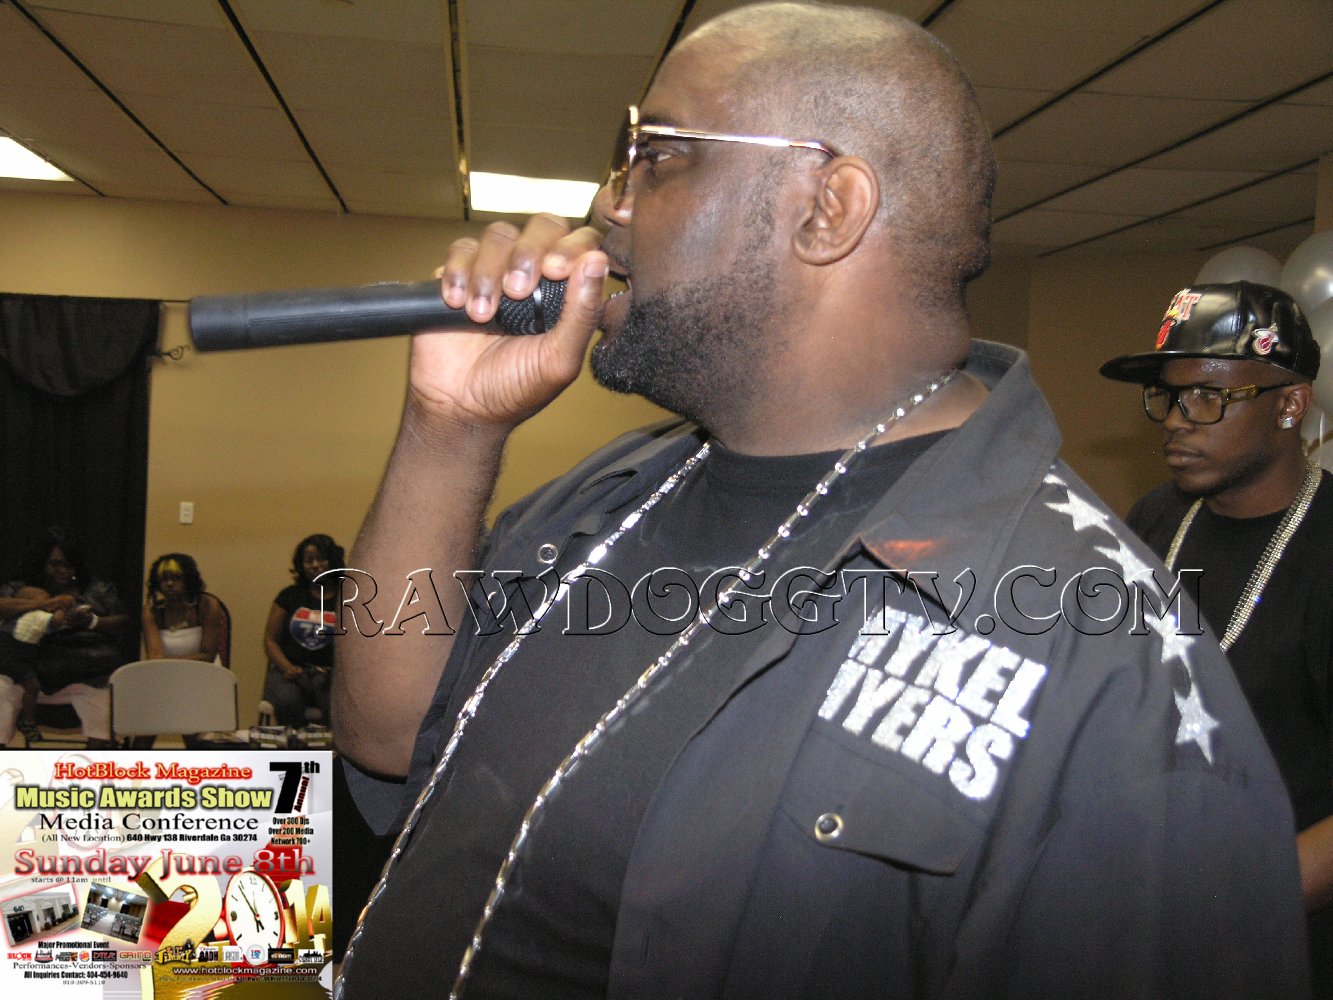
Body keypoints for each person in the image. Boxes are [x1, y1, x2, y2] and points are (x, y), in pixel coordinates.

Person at [332, 4, 1310, 997]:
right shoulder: (610, 494)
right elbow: (388, 735)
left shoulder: (1100, 653)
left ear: (828, 207)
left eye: (655, 156)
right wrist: (449, 429)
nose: (606, 202)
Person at [1102, 279, 1333, 996]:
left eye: (1207, 397)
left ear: (1289, 405)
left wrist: (1230, 915)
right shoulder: (1156, 518)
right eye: (1167, 397)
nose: (1175, 421)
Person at [0, 528, 127, 747]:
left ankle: (94, 764)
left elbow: (123, 621)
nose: (63, 570)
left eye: (69, 564)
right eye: (56, 564)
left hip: (87, 673)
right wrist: (45, 603)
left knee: (104, 705)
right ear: (42, 562)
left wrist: (92, 622)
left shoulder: (97, 590)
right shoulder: (19, 589)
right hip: (24, 673)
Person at [263, 533, 343, 727]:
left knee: (339, 706)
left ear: (332, 561)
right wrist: (287, 667)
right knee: (287, 701)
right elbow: (270, 640)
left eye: (321, 559)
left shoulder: (347, 596)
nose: (315, 565)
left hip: (331, 675)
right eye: (308, 561)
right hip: (290, 673)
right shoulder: (289, 596)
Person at [141, 553, 227, 663]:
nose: (169, 583)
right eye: (164, 579)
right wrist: (167, 664)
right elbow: (155, 657)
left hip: (204, 669)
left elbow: (207, 656)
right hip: (165, 670)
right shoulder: (152, 611)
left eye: (176, 578)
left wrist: (168, 661)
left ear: (189, 580)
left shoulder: (207, 605)